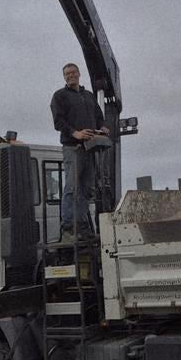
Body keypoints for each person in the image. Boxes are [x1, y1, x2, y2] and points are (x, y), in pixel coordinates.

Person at [50, 62, 108, 243]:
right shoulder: (59, 96)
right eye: (67, 74)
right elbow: (58, 121)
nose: (70, 75)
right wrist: (76, 133)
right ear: (64, 77)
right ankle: (68, 227)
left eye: (73, 72)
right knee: (72, 187)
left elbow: (99, 117)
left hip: (90, 148)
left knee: (87, 187)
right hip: (73, 148)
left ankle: (82, 226)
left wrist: (104, 127)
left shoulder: (89, 96)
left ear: (79, 74)